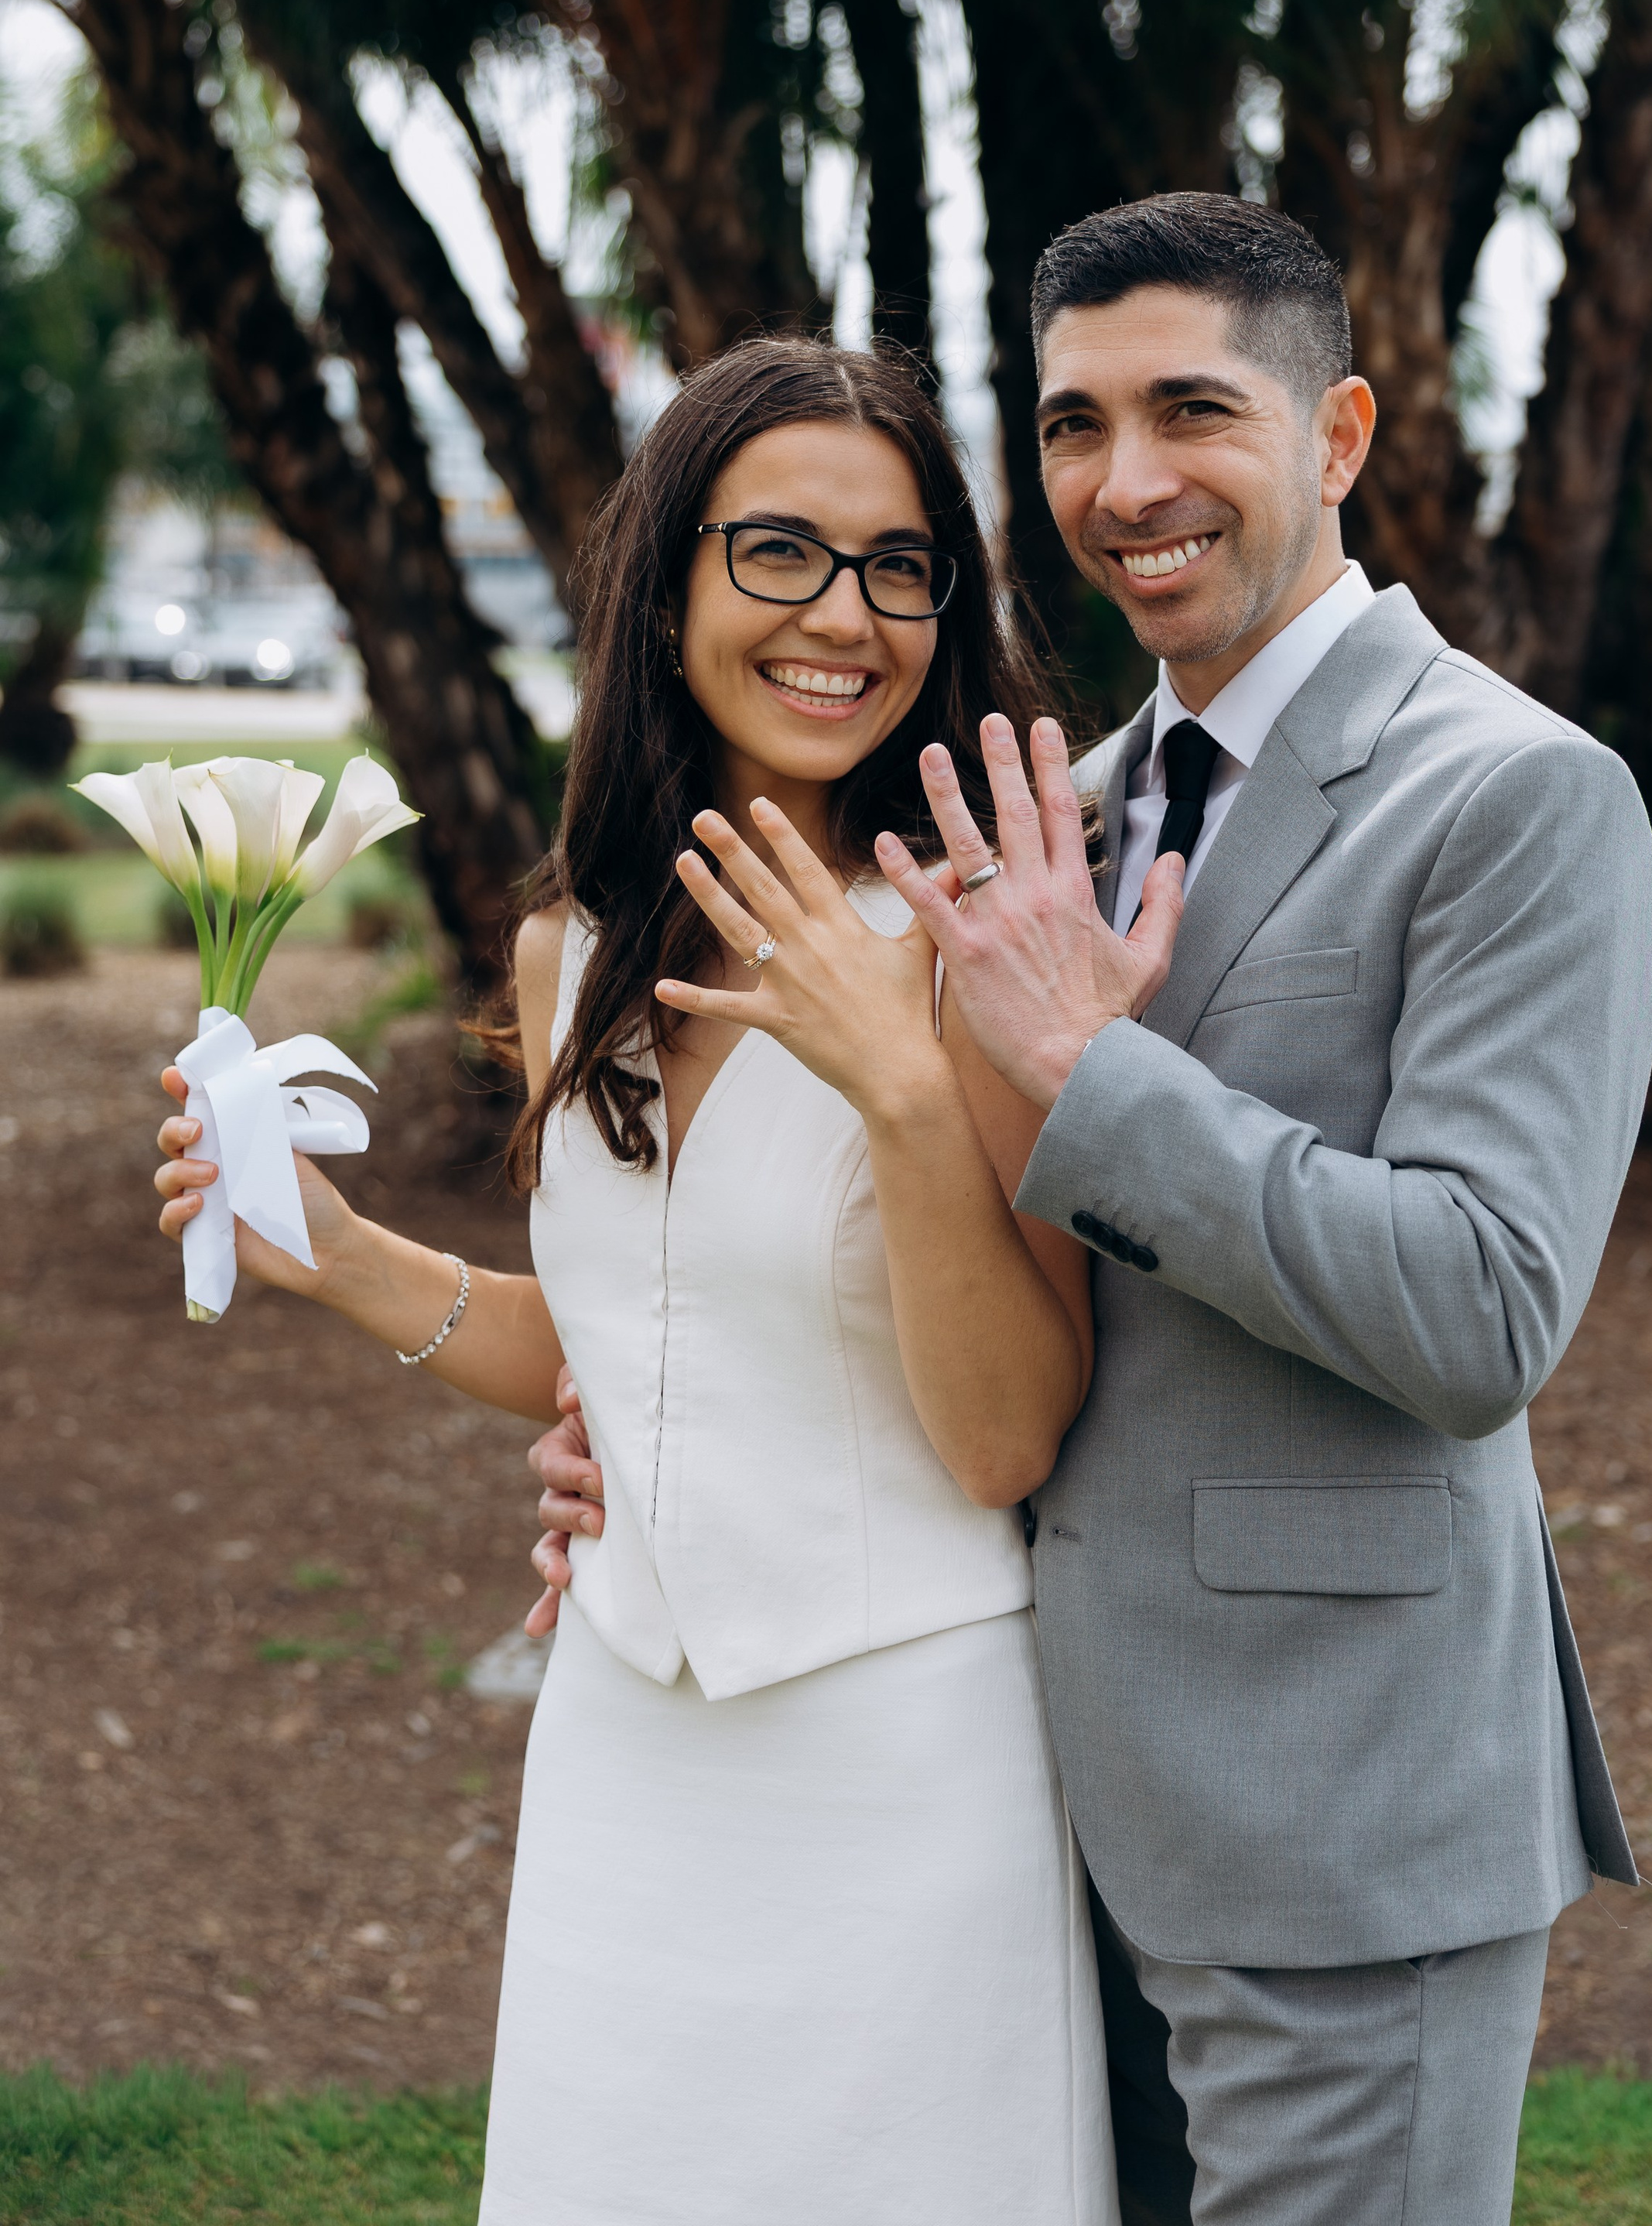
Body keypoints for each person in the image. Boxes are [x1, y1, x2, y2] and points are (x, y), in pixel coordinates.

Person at [531, 195, 1652, 2226]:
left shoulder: (1515, 794)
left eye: (1192, 412)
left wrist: (1094, 1074)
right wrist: (653, 1418)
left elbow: (1486, 1312)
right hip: (1022, 1806)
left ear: (1338, 437)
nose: (1126, 482)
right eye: (1072, 425)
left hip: (1334, 1818)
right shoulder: (1050, 795)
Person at [153, 339, 1125, 2226]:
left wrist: (907, 1090)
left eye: (898, 564)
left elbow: (1008, 1432)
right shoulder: (568, 950)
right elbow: (639, 1352)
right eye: (778, 552)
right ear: (666, 580)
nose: (843, 615)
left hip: (904, 1764)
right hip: (622, 1749)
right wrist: (339, 1258)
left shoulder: (983, 949)